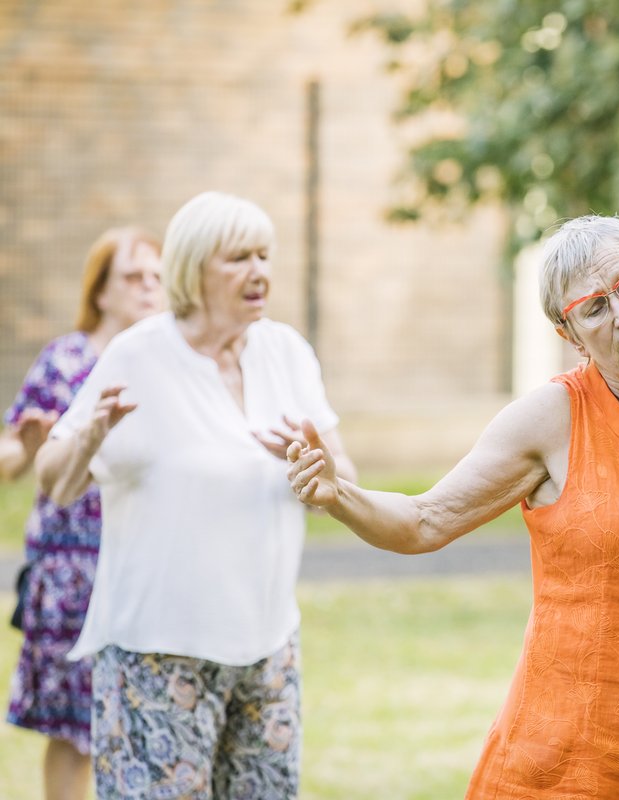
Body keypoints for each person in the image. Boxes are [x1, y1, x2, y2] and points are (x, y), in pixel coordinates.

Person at [285, 215, 619, 797]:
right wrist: (341, 495)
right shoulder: (552, 419)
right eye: (594, 308)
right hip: (562, 768)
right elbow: (424, 521)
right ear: (571, 336)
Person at [35, 191, 356, 800]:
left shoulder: (286, 352)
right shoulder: (139, 354)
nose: (259, 272)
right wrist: (90, 436)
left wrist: (314, 469)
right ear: (192, 269)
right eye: (239, 258)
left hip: (267, 649)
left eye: (264, 255)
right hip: (156, 657)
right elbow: (55, 479)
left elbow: (341, 481)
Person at [3, 227, 165, 800]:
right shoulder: (65, 361)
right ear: (100, 290)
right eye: (133, 276)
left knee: (142, 724)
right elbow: (9, 459)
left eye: (157, 277)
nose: (148, 288)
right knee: (72, 733)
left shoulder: (167, 362)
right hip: (70, 571)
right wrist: (28, 448)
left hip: (142, 563)